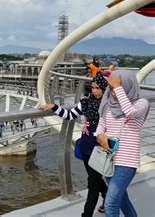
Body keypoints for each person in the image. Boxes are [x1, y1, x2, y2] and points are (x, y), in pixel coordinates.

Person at [40, 72, 109, 216]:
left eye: (98, 88)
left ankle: (87, 214)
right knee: (94, 178)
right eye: (93, 87)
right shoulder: (85, 102)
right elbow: (69, 115)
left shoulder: (109, 105)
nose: (94, 91)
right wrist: (54, 107)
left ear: (105, 88)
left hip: (100, 149)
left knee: (93, 183)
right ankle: (108, 197)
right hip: (85, 147)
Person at [95, 70, 149, 216]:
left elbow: (129, 112)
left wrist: (118, 88)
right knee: (121, 199)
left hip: (126, 162)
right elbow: (102, 123)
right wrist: (100, 136)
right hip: (109, 158)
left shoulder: (141, 103)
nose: (112, 92)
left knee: (110, 203)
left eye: (117, 87)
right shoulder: (108, 104)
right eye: (110, 88)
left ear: (128, 86)